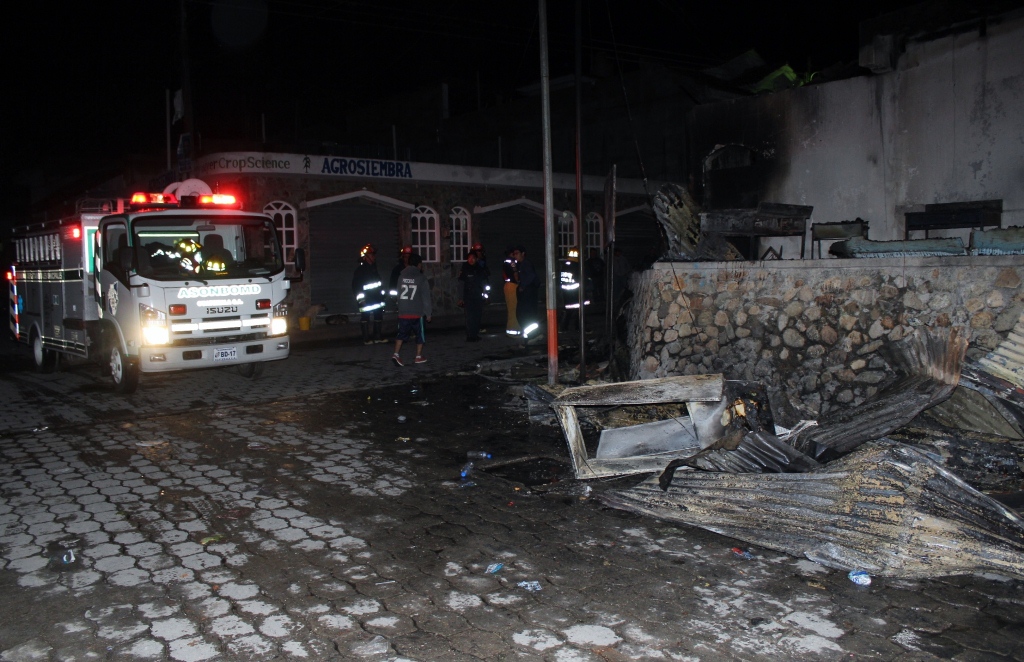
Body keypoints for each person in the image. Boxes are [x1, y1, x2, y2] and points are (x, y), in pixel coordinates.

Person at [392, 253, 432, 366]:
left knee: (401, 333)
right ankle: (418, 356)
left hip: (403, 311)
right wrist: (428, 313)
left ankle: (396, 354)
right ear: (419, 264)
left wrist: (400, 307)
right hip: (416, 312)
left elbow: (398, 294)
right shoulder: (421, 278)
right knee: (420, 334)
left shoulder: (401, 276)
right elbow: (426, 297)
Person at [351, 243, 387, 344]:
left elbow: (378, 284)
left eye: (374, 255)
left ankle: (377, 337)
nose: (374, 257)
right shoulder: (360, 270)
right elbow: (356, 287)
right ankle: (366, 339)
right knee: (365, 318)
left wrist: (382, 296)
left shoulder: (373, 269)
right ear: (366, 257)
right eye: (371, 255)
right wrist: (361, 300)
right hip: (366, 300)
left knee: (378, 316)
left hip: (376, 299)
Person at [458, 250, 488, 342]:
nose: (471, 260)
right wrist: (460, 298)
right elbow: (460, 285)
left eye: (473, 258)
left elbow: (484, 284)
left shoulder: (480, 269)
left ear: (476, 259)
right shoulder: (464, 269)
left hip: (478, 296)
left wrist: (486, 296)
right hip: (468, 297)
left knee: (477, 316)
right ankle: (470, 335)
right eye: (469, 258)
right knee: (469, 317)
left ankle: (475, 334)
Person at [559, 248, 590, 331]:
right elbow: (582, 279)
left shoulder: (564, 266)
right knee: (580, 311)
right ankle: (579, 327)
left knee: (568, 311)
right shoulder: (577, 266)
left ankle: (564, 328)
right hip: (576, 293)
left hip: (566, 293)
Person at [513, 245, 540, 341]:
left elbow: (531, 276)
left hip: (528, 293)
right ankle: (530, 334)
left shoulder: (526, 264)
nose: (515, 255)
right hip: (526, 293)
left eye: (517, 253)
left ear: (523, 254)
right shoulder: (521, 264)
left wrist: (523, 286)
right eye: (514, 254)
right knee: (524, 314)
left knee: (525, 314)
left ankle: (532, 335)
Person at [502, 246, 520, 336]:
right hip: (513, 286)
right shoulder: (512, 262)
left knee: (510, 309)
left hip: (507, 285)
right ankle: (515, 331)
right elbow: (516, 274)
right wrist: (519, 282)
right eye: (515, 253)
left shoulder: (506, 261)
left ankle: (510, 330)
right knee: (514, 309)